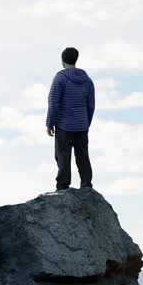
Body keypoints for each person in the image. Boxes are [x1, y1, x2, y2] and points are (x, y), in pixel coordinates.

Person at [46, 47, 96, 190]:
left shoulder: (60, 78)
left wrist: (50, 123)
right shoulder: (87, 80)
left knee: (62, 155)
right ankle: (86, 184)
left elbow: (53, 102)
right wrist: (86, 122)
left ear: (62, 61)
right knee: (82, 155)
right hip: (82, 125)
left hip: (64, 125)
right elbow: (91, 104)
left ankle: (63, 186)